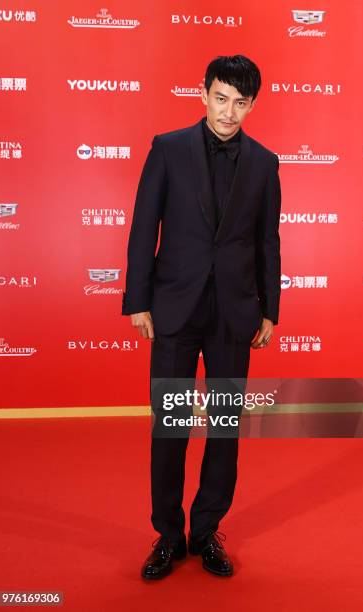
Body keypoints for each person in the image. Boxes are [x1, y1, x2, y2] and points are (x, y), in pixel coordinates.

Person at [122, 54, 282, 579]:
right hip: (174, 306)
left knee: (225, 428)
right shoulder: (167, 149)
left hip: (235, 313)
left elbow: (266, 241)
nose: (229, 111)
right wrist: (138, 299)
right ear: (203, 93)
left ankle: (207, 530)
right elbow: (144, 227)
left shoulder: (264, 162)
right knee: (170, 426)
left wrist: (269, 308)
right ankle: (168, 535)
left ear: (252, 104)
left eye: (240, 102)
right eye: (220, 97)